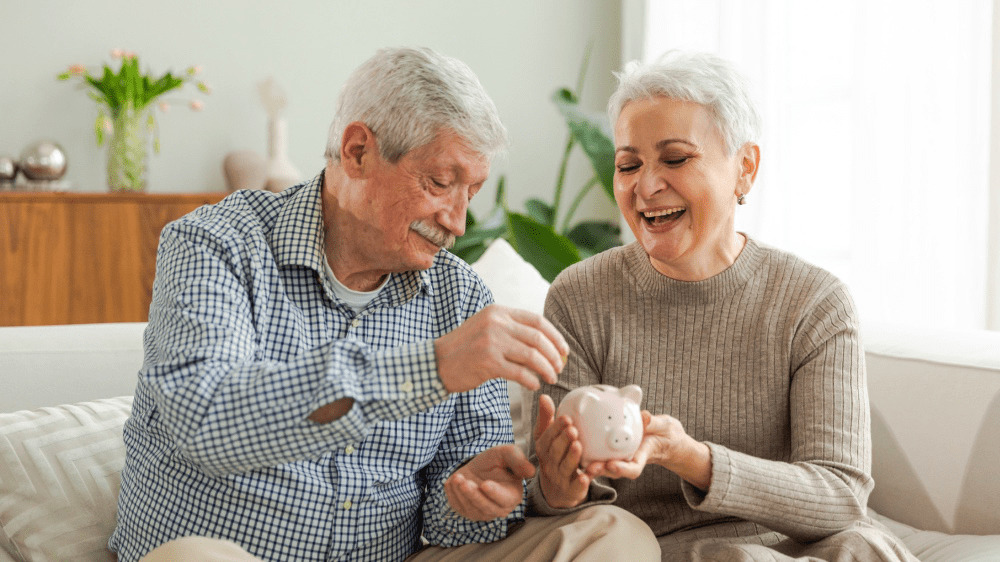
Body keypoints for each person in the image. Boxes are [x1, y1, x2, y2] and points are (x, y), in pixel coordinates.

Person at [109, 46, 658, 562]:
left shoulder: (461, 296)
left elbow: (454, 523)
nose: (457, 221)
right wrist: (434, 367)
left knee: (615, 538)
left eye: (472, 193)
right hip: (226, 550)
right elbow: (206, 421)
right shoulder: (217, 243)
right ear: (357, 152)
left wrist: (487, 496)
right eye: (441, 182)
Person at [529, 50, 919, 561]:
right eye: (628, 165)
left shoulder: (814, 302)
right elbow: (549, 499)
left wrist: (692, 458)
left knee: (866, 548)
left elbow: (839, 496)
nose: (645, 186)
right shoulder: (579, 297)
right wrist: (558, 486)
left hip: (803, 544)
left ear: (745, 169)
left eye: (675, 158)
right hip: (654, 550)